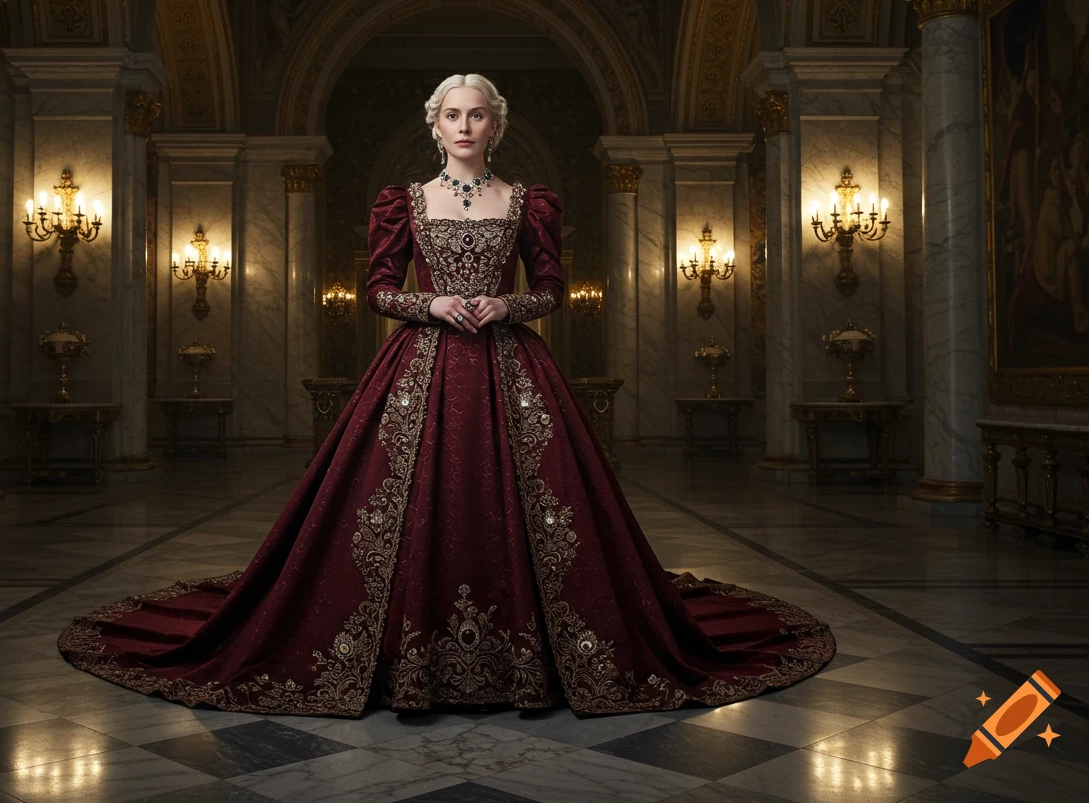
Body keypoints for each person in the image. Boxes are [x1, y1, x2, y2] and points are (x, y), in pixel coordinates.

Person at [59, 74, 835, 716]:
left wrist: (511, 305)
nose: (465, 125)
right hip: (419, 366)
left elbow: (556, 287)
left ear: (497, 125)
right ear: (436, 127)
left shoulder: (530, 202)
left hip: (511, 367)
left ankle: (538, 657)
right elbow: (378, 288)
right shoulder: (406, 201)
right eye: (452, 115)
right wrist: (428, 305)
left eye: (478, 114)